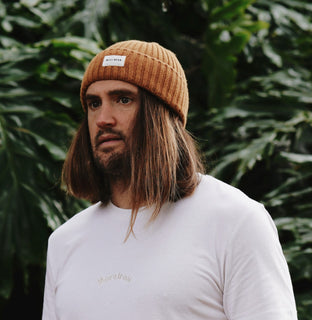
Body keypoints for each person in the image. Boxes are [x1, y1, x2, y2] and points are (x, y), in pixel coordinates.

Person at [42, 40, 297, 320]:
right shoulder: (65, 242)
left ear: (161, 115)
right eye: (93, 103)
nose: (103, 118)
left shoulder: (234, 220)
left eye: (123, 99)